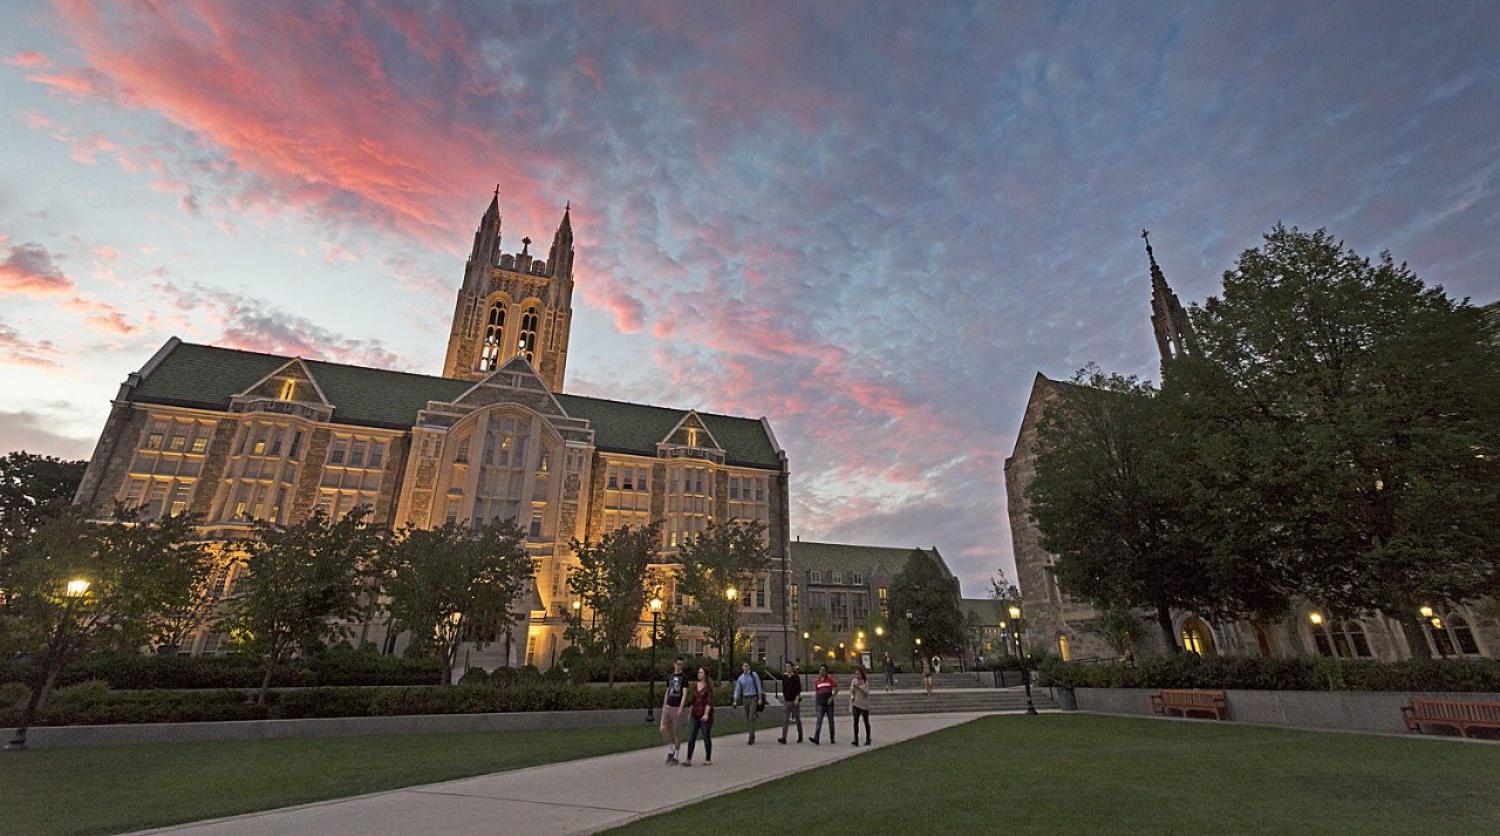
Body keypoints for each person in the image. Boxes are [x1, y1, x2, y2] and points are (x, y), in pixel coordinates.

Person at [660, 657, 691, 765]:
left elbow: (685, 693)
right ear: (674, 664)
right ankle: (671, 749)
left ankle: (676, 756)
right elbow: (667, 691)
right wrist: (664, 705)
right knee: (663, 729)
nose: (679, 666)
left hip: (677, 707)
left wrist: (681, 707)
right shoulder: (670, 677)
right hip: (668, 706)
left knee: (676, 732)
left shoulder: (684, 678)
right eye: (678, 664)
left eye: (681, 664)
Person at [683, 667, 715, 767]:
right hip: (695, 714)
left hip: (705, 715)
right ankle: (688, 759)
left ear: (705, 674)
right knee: (691, 736)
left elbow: (709, 702)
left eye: (701, 672)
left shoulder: (709, 687)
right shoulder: (695, 686)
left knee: (706, 736)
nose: (699, 674)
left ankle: (708, 758)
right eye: (698, 672)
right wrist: (689, 713)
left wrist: (706, 714)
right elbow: (692, 701)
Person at [731, 661, 764, 745]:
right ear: (742, 668)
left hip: (753, 697)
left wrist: (760, 698)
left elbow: (759, 685)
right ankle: (750, 733)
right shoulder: (741, 678)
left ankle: (751, 736)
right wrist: (735, 700)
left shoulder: (753, 675)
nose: (746, 668)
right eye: (744, 666)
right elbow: (737, 689)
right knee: (747, 718)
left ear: (749, 667)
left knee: (751, 717)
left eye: (747, 666)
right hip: (745, 698)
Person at [810, 664, 837, 744]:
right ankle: (816, 738)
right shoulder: (817, 681)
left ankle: (832, 737)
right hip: (820, 703)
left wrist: (831, 698)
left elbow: (836, 689)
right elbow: (817, 691)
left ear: (826, 671)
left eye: (823, 670)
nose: (821, 671)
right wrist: (815, 701)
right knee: (819, 720)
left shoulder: (830, 680)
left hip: (829, 703)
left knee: (831, 721)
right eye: (820, 670)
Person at [778, 660, 803, 743]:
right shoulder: (784, 677)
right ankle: (784, 737)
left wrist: (797, 699)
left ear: (792, 667)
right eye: (786, 667)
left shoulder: (796, 677)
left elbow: (798, 689)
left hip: (794, 700)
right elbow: (784, 689)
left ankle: (800, 736)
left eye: (789, 666)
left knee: (797, 719)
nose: (787, 668)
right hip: (787, 701)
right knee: (785, 719)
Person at [850, 667, 872, 746]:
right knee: (855, 722)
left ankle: (868, 738)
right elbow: (851, 690)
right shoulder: (854, 681)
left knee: (866, 722)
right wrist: (855, 686)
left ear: (862, 674)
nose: (857, 675)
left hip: (864, 704)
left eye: (858, 673)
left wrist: (859, 687)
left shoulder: (865, 682)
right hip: (856, 703)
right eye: (856, 673)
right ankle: (856, 739)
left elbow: (866, 693)